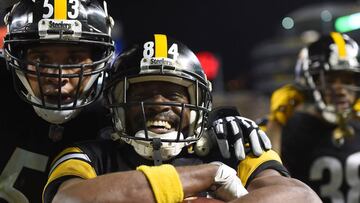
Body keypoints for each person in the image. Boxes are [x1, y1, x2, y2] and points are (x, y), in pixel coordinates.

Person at [43, 34, 321, 203]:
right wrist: (210, 175)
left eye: (173, 96)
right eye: (143, 95)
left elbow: (303, 198)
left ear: (198, 104)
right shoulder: (87, 154)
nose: (157, 105)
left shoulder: (231, 145)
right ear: (115, 104)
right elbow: (68, 198)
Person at [0, 0, 114, 202]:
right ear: (15, 58)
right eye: (41, 59)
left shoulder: (114, 115)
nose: (58, 75)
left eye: (74, 59)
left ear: (100, 59)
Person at [265, 32, 360, 203]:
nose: (340, 89)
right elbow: (272, 187)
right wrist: (276, 122)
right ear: (310, 81)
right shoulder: (292, 129)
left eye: (348, 79)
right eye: (330, 79)